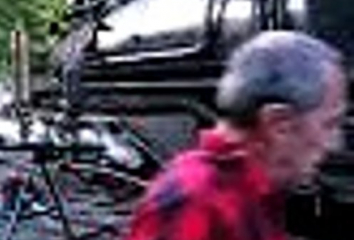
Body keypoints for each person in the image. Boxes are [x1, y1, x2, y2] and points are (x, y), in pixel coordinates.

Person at [123, 31, 347, 240]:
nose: (334, 144)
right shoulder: (194, 201)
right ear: (280, 124)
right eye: (329, 124)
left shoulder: (258, 187)